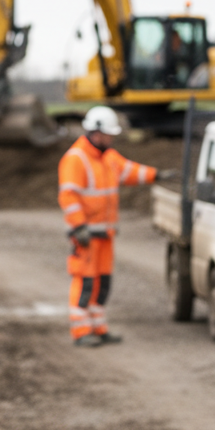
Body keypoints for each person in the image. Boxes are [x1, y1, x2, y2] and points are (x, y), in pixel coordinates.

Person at [58, 106, 177, 347]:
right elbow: (69, 196)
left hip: (105, 234)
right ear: (95, 132)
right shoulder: (76, 159)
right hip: (86, 235)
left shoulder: (108, 158)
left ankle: (98, 328)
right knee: (85, 282)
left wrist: (157, 175)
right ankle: (81, 332)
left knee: (102, 283)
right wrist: (79, 226)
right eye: (109, 134)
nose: (111, 139)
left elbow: (130, 171)